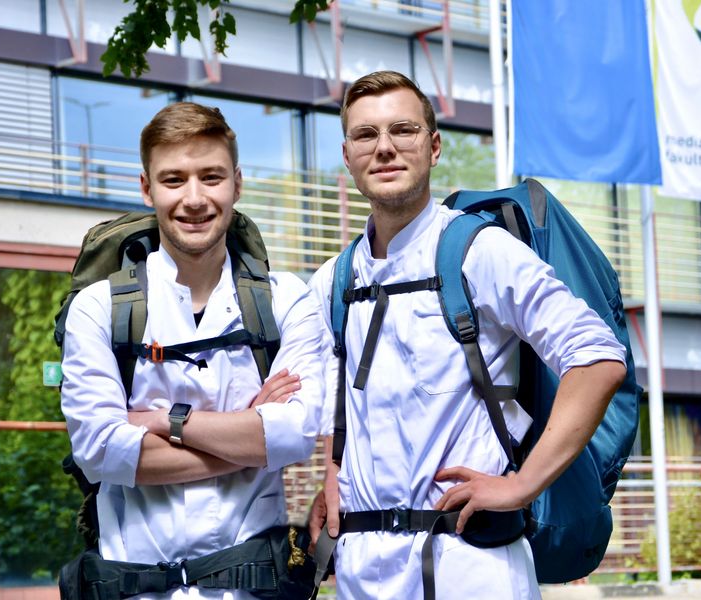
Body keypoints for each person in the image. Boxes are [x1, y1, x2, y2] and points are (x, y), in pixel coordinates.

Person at [307, 71, 628, 599]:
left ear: (433, 147)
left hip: (471, 567)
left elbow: (597, 357)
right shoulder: (333, 280)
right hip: (363, 572)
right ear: (347, 155)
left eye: (402, 130)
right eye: (365, 135)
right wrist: (333, 472)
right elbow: (334, 404)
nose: (384, 147)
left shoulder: (480, 251)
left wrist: (522, 485)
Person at [61, 102, 326, 599]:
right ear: (147, 189)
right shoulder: (98, 308)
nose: (195, 198)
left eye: (211, 176)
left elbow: (295, 434)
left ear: (237, 184)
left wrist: (163, 421)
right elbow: (98, 451)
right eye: (174, 179)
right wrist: (249, 443)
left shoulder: (287, 299)